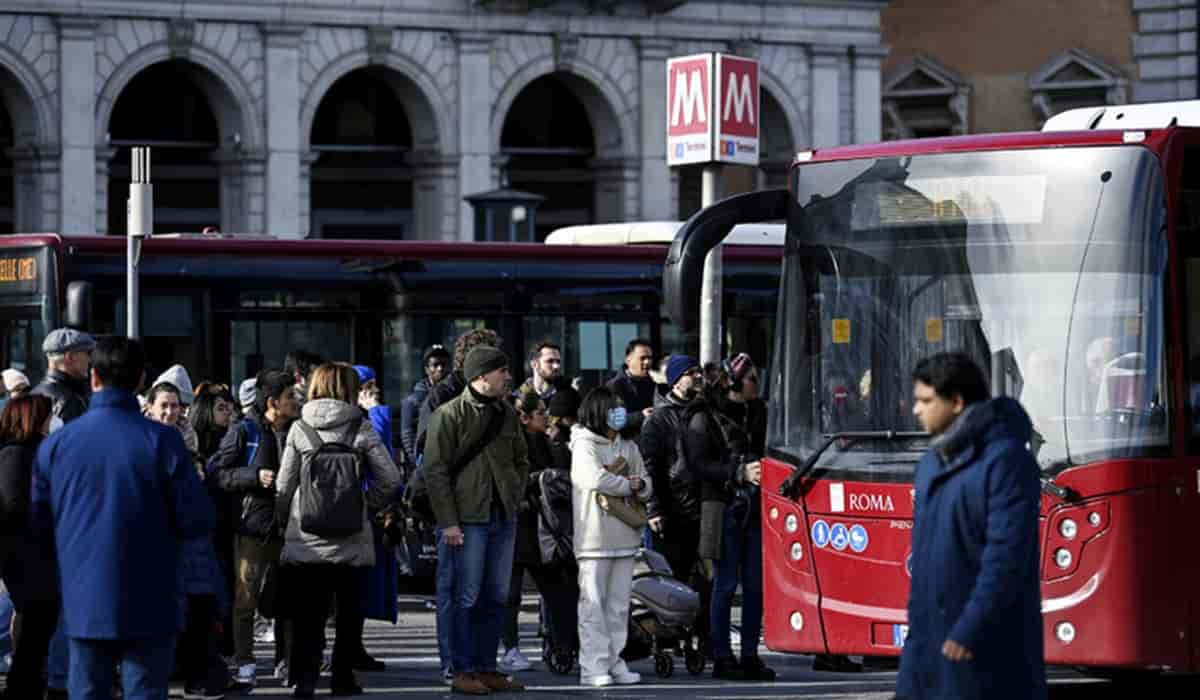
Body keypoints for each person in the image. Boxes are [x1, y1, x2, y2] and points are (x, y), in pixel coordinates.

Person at [30, 335, 216, 700]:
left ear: (94, 377)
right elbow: (196, 519)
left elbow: (38, 523)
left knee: (85, 691)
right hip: (152, 595)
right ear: (142, 380)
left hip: (82, 597)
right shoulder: (163, 441)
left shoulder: (57, 444)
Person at [895, 353, 1045, 700]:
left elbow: (1005, 559)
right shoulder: (932, 462)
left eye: (926, 401)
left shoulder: (1006, 460)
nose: (917, 410)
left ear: (957, 401)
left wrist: (971, 628)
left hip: (984, 647)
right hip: (928, 647)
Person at [275, 362, 402, 698]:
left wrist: (283, 520)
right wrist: (365, 505)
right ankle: (343, 678)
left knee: (308, 617)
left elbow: (284, 485)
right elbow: (390, 479)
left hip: (307, 539)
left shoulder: (300, 428)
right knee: (349, 614)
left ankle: (304, 680)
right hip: (350, 537)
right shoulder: (359, 426)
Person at [424, 345, 529, 696]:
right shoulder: (448, 414)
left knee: (495, 596)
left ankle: (486, 666)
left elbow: (521, 460)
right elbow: (434, 472)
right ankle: (460, 669)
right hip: (466, 519)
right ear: (481, 375)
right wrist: (449, 522)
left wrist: (514, 494)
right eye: (502, 371)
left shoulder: (508, 414)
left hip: (502, 514)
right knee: (464, 596)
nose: (508, 377)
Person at [415, 328, 502, 684]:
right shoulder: (443, 396)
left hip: (490, 503)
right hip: (458, 505)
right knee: (455, 589)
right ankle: (455, 664)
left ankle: (482, 663)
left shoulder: (498, 397)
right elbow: (428, 454)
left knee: (486, 591)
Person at [210, 370, 299, 689]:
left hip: (290, 526)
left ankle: (286, 660)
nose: (296, 401)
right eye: (290, 396)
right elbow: (218, 472)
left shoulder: (298, 431)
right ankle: (245, 662)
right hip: (252, 527)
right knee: (245, 598)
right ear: (273, 402)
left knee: (287, 599)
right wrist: (252, 476)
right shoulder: (244, 429)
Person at [145, 383, 227, 700]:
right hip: (157, 538)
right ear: (150, 406)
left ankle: (197, 673)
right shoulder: (143, 438)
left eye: (175, 405)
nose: (170, 411)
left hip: (190, 540)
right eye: (164, 405)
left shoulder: (188, 438)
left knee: (198, 606)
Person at [569, 386, 652, 687]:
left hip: (625, 537)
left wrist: (640, 485)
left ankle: (615, 661)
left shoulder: (628, 446)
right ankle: (592, 667)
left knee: (618, 607)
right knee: (593, 606)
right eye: (613, 407)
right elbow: (592, 478)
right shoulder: (584, 444)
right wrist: (629, 485)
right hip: (594, 539)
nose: (619, 412)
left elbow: (646, 480)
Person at [499, 392, 579, 674]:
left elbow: (563, 473)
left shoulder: (549, 441)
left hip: (545, 528)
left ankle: (562, 645)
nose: (547, 417)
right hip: (520, 524)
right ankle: (510, 648)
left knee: (557, 589)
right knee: (510, 593)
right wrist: (539, 479)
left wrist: (557, 442)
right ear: (525, 417)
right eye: (541, 413)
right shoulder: (512, 444)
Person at [708, 353, 774, 681]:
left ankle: (750, 653)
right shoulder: (710, 415)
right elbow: (698, 464)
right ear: (734, 382)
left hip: (756, 506)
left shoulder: (760, 411)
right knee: (725, 584)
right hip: (727, 506)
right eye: (751, 379)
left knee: (755, 585)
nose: (756, 386)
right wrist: (738, 472)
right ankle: (721, 654)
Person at [638, 356, 709, 639]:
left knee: (705, 575)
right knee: (673, 575)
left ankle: (703, 634)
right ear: (676, 380)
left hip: (703, 504)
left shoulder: (704, 411)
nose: (697, 377)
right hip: (674, 507)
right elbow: (651, 465)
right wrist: (655, 509)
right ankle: (672, 635)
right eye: (691, 373)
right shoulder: (660, 417)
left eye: (698, 371)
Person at [0, 395, 59, 699]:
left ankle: (28, 684)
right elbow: (13, 507)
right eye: (49, 416)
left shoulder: (35, 453)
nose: (54, 421)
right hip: (26, 555)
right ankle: (22, 687)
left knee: (40, 622)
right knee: (34, 622)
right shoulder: (16, 454)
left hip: (37, 553)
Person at [351, 364, 396, 671]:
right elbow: (376, 453)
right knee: (356, 583)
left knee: (367, 583)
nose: (373, 392)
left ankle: (355, 644)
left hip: (375, 507)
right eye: (367, 386)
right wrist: (377, 413)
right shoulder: (360, 419)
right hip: (359, 508)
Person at [31, 327, 95, 423]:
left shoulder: (35, 393)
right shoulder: (67, 401)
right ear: (70, 357)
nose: (90, 360)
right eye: (88, 354)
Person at [400, 344, 450, 466]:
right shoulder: (413, 401)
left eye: (444, 365)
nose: (440, 369)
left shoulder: (455, 396)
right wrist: (417, 464)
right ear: (427, 369)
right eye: (435, 365)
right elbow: (407, 436)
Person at [605, 339, 657, 439]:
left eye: (650, 358)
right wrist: (641, 415)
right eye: (642, 358)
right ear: (628, 360)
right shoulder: (614, 386)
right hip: (626, 446)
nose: (647, 362)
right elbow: (609, 420)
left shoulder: (655, 384)